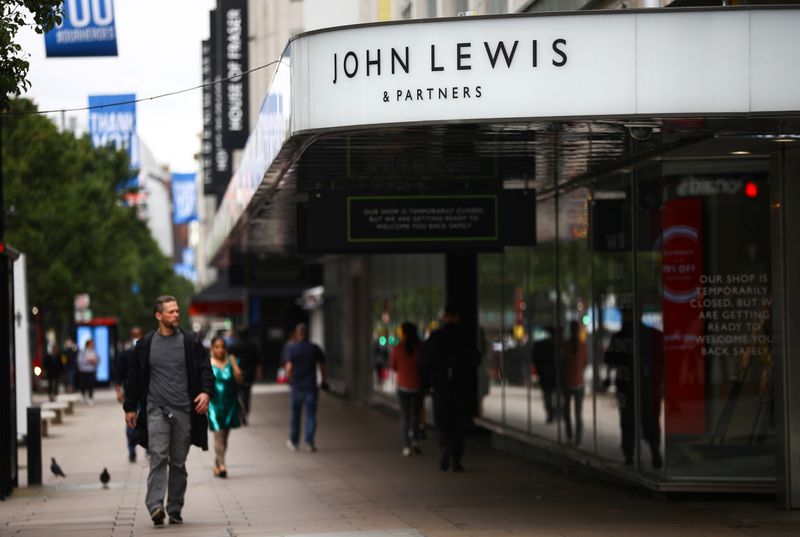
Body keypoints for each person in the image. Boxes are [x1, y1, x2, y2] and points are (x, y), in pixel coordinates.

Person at [123, 295, 214, 527]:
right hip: (156, 409)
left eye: (176, 311)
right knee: (158, 456)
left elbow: (205, 369)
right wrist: (130, 406)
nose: (176, 315)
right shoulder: (145, 344)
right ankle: (155, 505)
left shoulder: (190, 342)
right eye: (171, 312)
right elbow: (133, 377)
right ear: (158, 315)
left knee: (178, 462)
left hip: (184, 410)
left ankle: (174, 508)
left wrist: (205, 392)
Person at [421, 304, 479, 472]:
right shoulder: (465, 337)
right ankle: (456, 458)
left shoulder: (436, 337)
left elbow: (425, 361)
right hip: (461, 385)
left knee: (443, 419)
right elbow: (475, 359)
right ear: (457, 317)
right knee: (459, 421)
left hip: (441, 385)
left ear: (445, 317)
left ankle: (445, 445)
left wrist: (427, 383)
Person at [603, 308, 663, 469]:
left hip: (629, 386)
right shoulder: (654, 335)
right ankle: (653, 452)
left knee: (629, 422)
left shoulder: (620, 336)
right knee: (649, 420)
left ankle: (631, 455)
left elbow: (609, 360)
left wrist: (608, 379)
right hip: (647, 386)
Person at [284, 323, 327, 453]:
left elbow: (289, 367)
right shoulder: (314, 348)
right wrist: (323, 380)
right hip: (310, 386)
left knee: (295, 415)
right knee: (311, 415)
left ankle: (294, 441)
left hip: (297, 386)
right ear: (308, 334)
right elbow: (322, 365)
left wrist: (290, 379)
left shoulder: (292, 348)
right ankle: (309, 442)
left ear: (297, 334)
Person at [208, 337, 243, 478]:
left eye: (222, 347)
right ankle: (222, 466)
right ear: (212, 348)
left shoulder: (232, 362)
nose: (220, 350)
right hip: (214, 405)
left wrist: (234, 364)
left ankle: (217, 464)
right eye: (217, 347)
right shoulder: (207, 364)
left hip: (230, 404)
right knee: (218, 435)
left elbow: (240, 382)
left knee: (225, 437)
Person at [390, 321, 423, 457]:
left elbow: (393, 366)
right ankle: (415, 440)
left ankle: (406, 446)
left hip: (403, 385)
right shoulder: (420, 348)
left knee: (405, 416)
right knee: (416, 415)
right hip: (417, 385)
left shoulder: (397, 348)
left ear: (402, 332)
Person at [115, 327, 143, 462]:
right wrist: (118, 391)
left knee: (149, 421)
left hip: (146, 392)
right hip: (130, 393)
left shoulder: (147, 352)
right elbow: (119, 374)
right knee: (131, 422)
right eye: (134, 335)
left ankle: (149, 449)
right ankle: (132, 450)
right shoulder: (125, 354)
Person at [562, 320, 588, 445]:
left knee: (568, 412)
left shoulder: (566, 345)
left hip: (568, 382)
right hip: (578, 382)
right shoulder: (582, 345)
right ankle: (576, 438)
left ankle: (570, 436)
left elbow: (563, 362)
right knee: (577, 413)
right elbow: (584, 363)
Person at [227, 327, 258, 422]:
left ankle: (240, 412)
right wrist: (259, 372)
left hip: (236, 373)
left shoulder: (233, 345)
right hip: (249, 373)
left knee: (237, 394)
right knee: (246, 394)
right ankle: (245, 412)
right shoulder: (252, 345)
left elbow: (228, 359)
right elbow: (258, 360)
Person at [532, 325, 558, 424]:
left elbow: (535, 359)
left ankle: (550, 414)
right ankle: (552, 413)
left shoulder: (540, 345)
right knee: (552, 395)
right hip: (552, 375)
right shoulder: (555, 344)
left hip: (545, 375)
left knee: (547, 395)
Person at [77, 339, 99, 405]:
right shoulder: (83, 352)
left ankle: (90, 397)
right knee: (83, 384)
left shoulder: (94, 351)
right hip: (84, 371)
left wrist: (95, 361)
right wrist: (88, 361)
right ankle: (83, 395)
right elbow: (79, 360)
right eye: (91, 343)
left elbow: (98, 359)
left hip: (91, 371)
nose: (93, 345)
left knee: (91, 385)